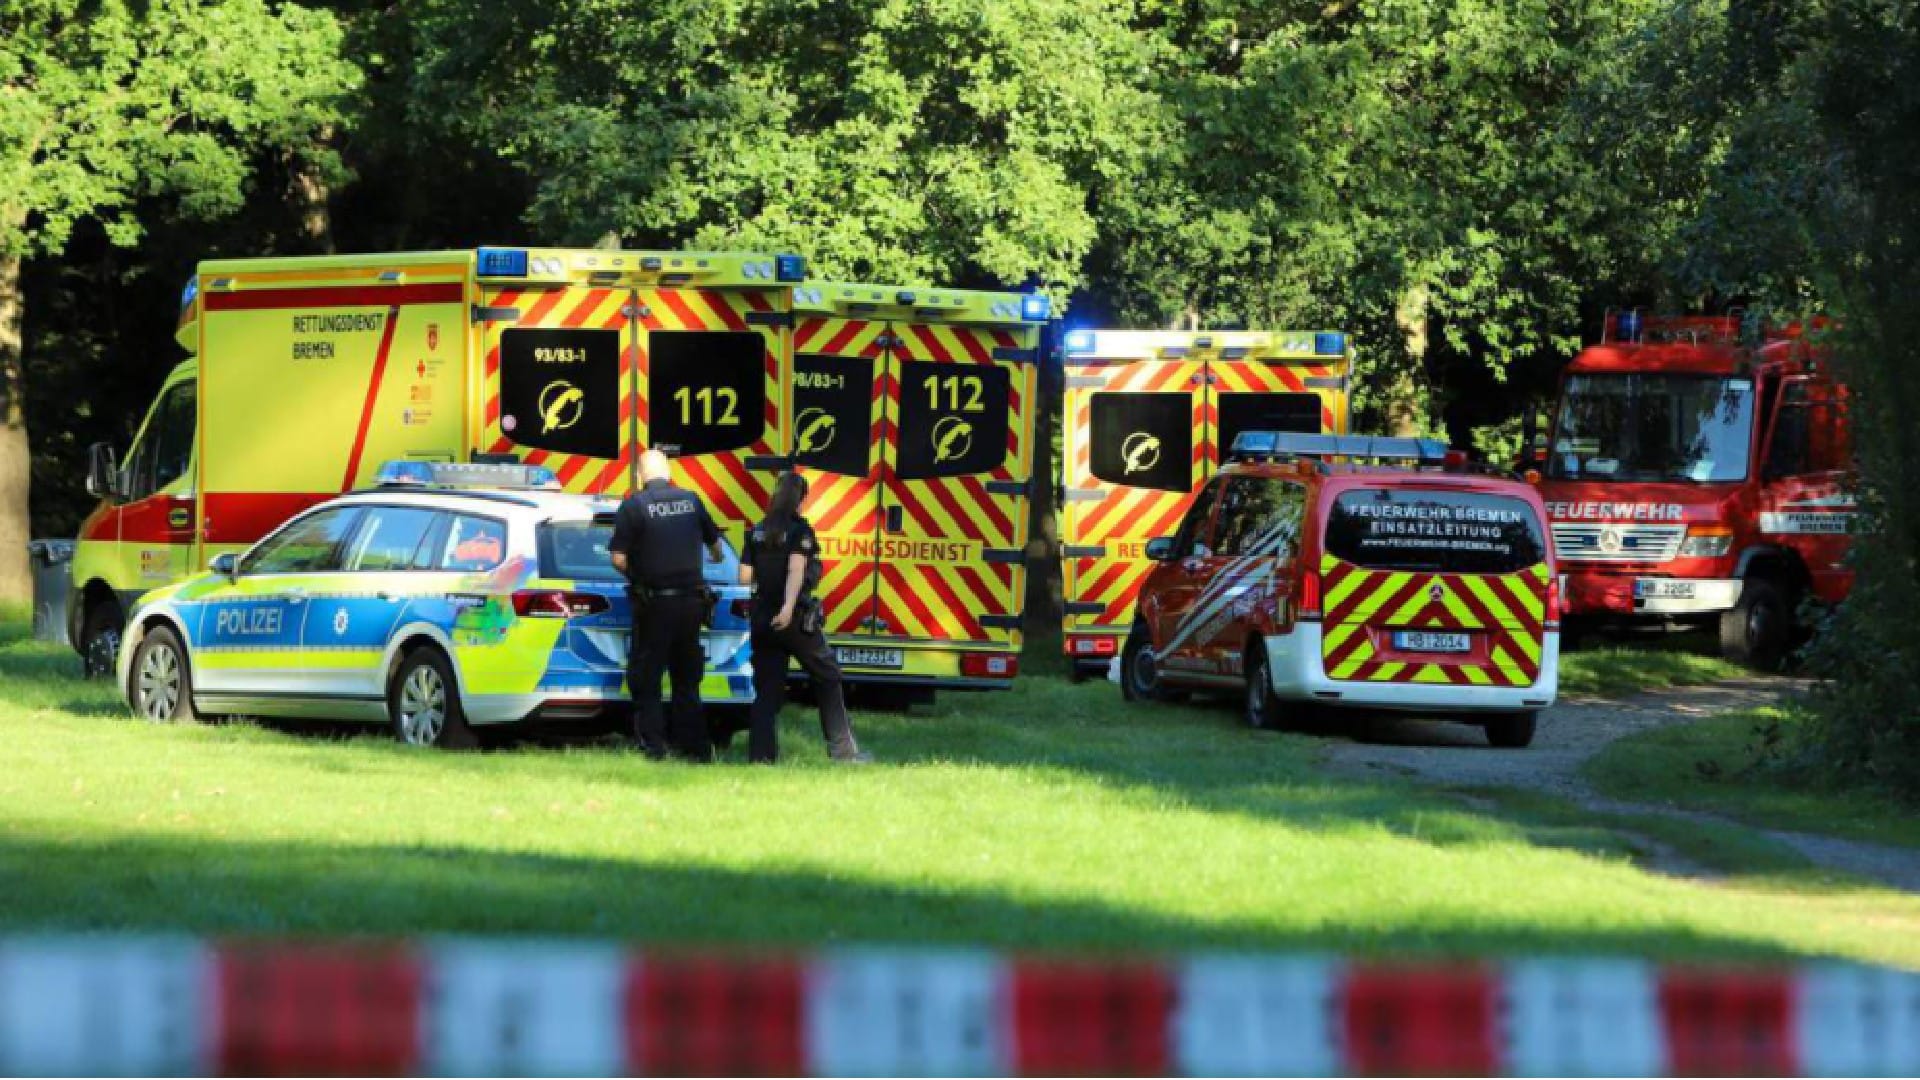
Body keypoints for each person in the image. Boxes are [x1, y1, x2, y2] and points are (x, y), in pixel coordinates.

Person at [741, 471, 868, 764]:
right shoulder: (800, 532)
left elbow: (745, 576)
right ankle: (843, 751)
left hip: (762, 619)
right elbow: (796, 571)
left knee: (767, 691)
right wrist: (786, 609)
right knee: (828, 675)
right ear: (801, 499)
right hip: (794, 619)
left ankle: (761, 757)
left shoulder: (757, 530)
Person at [610, 449, 723, 761]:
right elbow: (716, 550)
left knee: (647, 679)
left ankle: (655, 747)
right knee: (687, 680)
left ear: (639, 475)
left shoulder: (634, 506)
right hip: (691, 605)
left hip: (655, 606)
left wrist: (641, 574)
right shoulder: (691, 500)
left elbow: (618, 557)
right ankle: (694, 748)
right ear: (669, 472)